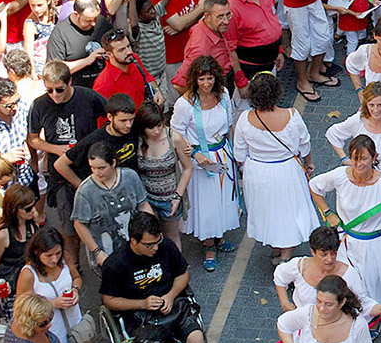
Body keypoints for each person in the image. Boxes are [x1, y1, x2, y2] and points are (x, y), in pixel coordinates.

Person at [99, 212, 208, 343]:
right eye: (150, 245)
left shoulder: (166, 246)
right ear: (134, 241)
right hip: (140, 318)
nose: (155, 248)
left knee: (197, 338)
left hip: (174, 308)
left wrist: (171, 295)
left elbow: (183, 275)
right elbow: (109, 300)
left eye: (158, 242)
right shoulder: (116, 263)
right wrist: (141, 303)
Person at [310, 135, 381, 309]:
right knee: (346, 285)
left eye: (364, 158)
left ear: (374, 157)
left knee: (375, 288)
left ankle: (375, 318)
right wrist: (327, 213)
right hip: (345, 243)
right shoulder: (340, 175)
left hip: (375, 245)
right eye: (355, 158)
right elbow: (314, 186)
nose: (358, 163)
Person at [235, 72, 318, 264]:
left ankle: (275, 249)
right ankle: (285, 257)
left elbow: (239, 155)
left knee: (266, 210)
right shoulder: (292, 115)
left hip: (257, 172)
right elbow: (304, 144)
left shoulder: (245, 119)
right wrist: (309, 164)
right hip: (287, 169)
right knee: (289, 211)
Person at [170, 55, 240, 272]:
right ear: (194, 80)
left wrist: (236, 154)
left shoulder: (224, 95)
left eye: (210, 78)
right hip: (199, 161)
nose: (207, 84)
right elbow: (175, 134)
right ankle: (209, 245)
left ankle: (219, 237)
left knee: (223, 199)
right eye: (202, 79)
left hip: (223, 155)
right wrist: (195, 154)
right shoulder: (185, 104)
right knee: (207, 205)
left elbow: (229, 126)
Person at [71, 142, 153, 274]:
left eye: (101, 168)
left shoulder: (130, 177)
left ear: (113, 163)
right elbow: (79, 224)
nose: (96, 172)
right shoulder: (85, 191)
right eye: (93, 168)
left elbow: (142, 204)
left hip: (134, 248)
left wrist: (152, 232)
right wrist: (97, 252)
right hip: (106, 253)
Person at [15, 228, 82, 343]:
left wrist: (75, 289)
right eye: (49, 256)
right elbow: (22, 309)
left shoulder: (65, 258)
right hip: (51, 330)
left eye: (58, 253)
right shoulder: (28, 274)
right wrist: (51, 304)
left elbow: (77, 278)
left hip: (75, 323)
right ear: (37, 252)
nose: (54, 259)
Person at [133, 101, 189, 250]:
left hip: (170, 199)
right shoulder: (136, 140)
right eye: (151, 127)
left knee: (171, 237)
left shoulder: (173, 137)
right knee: (150, 240)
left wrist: (178, 196)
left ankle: (177, 270)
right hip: (146, 199)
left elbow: (188, 168)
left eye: (159, 125)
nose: (157, 131)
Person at [224, 0, 283, 79]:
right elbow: (230, 48)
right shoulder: (230, 6)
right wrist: (240, 81)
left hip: (271, 62)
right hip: (250, 70)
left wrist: (279, 51)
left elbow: (273, 19)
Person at [0, 185, 38, 318]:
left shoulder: (32, 224)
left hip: (32, 284)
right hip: (11, 289)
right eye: (28, 209)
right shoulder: (2, 233)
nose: (33, 210)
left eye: (34, 205)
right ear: (14, 210)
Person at [93, 29, 164, 110]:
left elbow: (147, 76)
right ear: (109, 54)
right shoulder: (104, 83)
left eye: (128, 46)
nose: (128, 52)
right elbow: (102, 117)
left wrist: (156, 90)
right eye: (121, 50)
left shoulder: (134, 59)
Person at [0, 77, 33, 188]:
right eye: (9, 105)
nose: (15, 108)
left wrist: (34, 160)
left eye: (16, 101)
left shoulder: (22, 109)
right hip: (0, 186)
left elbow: (30, 135)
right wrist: (4, 159)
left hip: (25, 179)